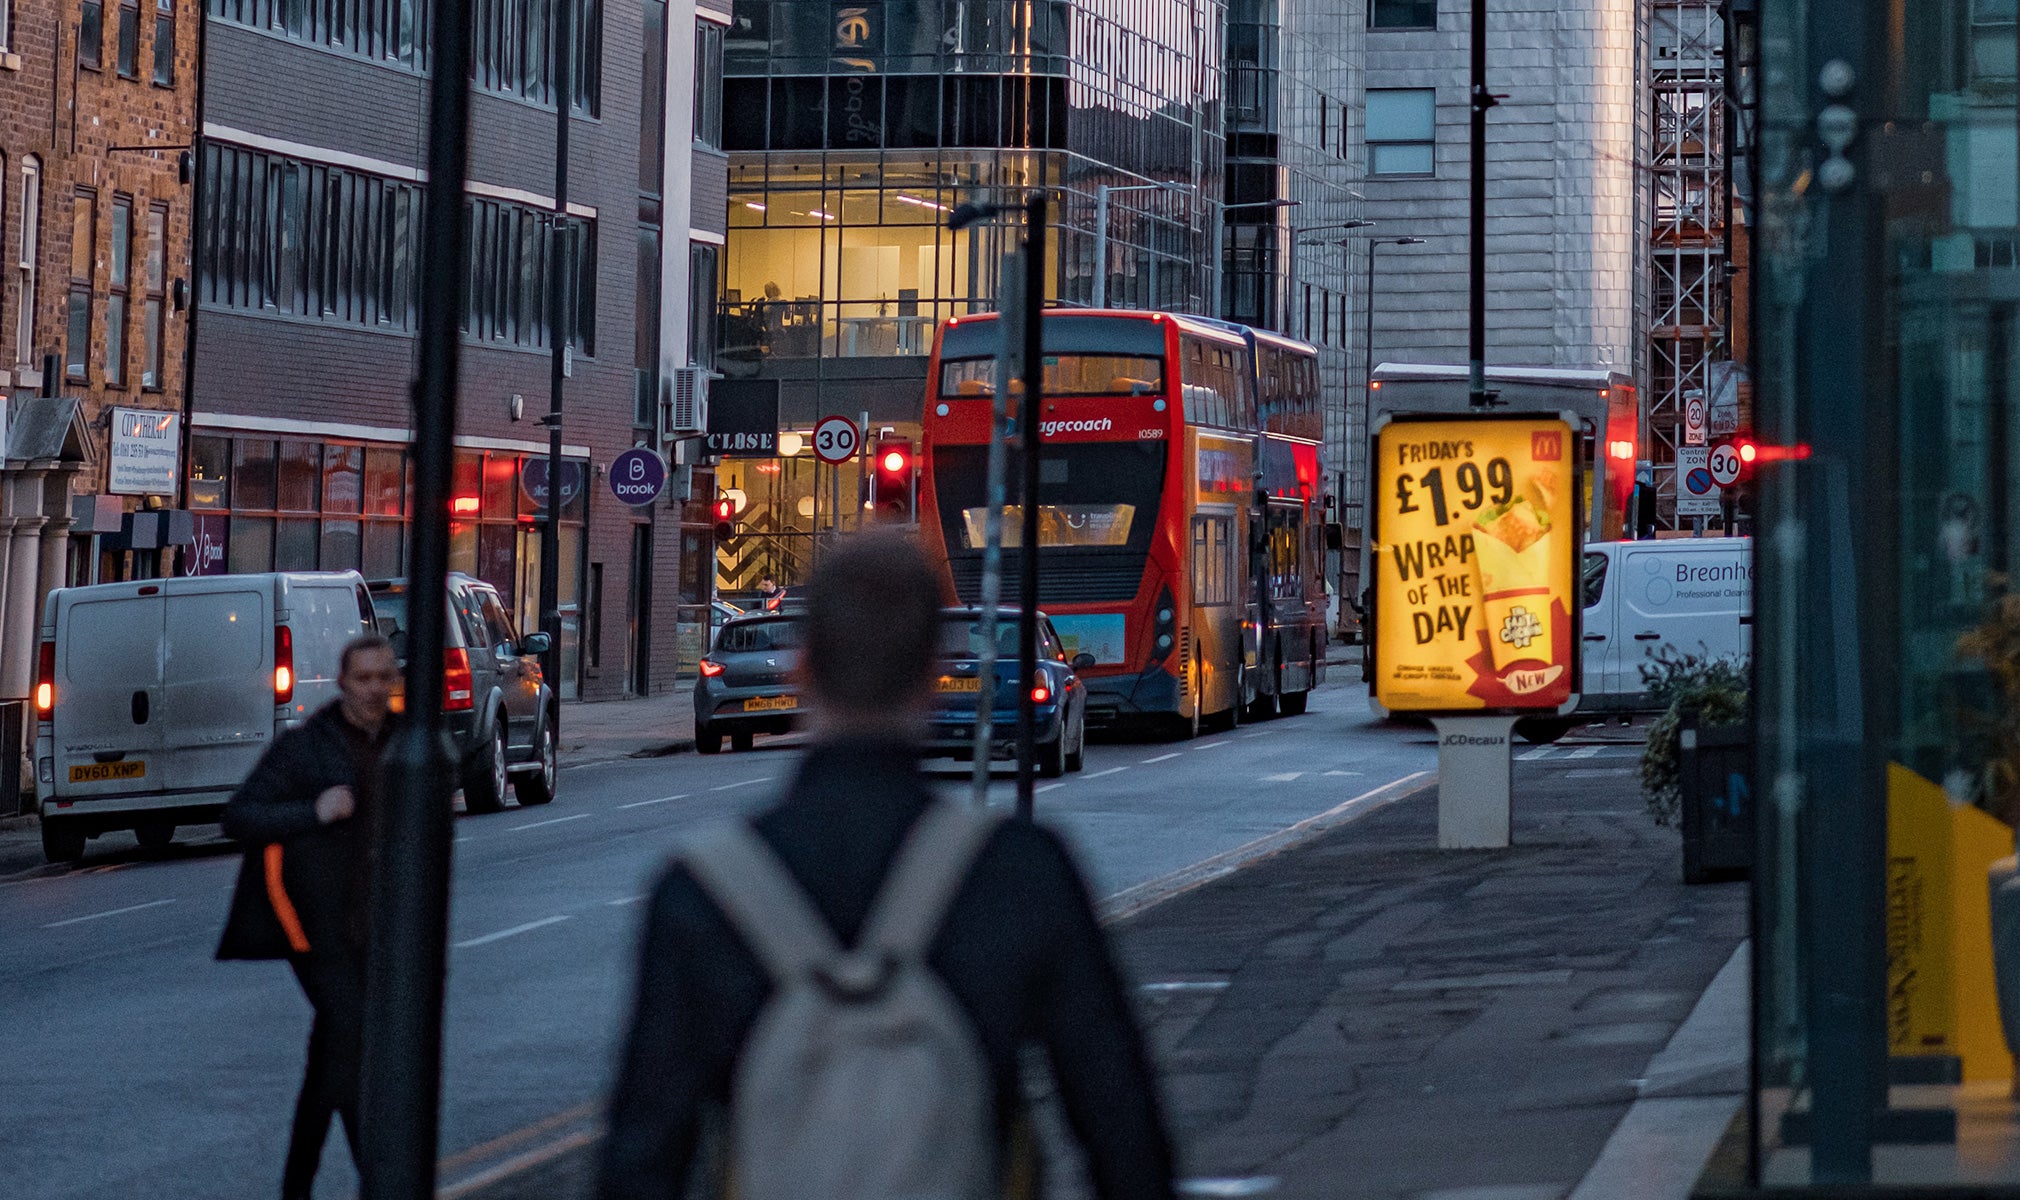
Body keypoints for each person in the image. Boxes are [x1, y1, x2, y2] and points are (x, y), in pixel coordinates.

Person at [599, 533, 1175, 1200]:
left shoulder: (702, 892)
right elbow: (1123, 1130)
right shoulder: (1019, 874)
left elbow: (642, 1157)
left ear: (803, 669)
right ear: (932, 673)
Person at [216, 634, 401, 1200]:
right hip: (312, 927)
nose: (374, 689)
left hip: (377, 929)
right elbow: (239, 816)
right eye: (363, 678)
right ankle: (382, 1179)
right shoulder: (307, 747)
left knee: (333, 1057)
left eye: (383, 677)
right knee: (352, 1037)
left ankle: (296, 1187)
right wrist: (314, 811)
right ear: (343, 683)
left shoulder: (404, 745)